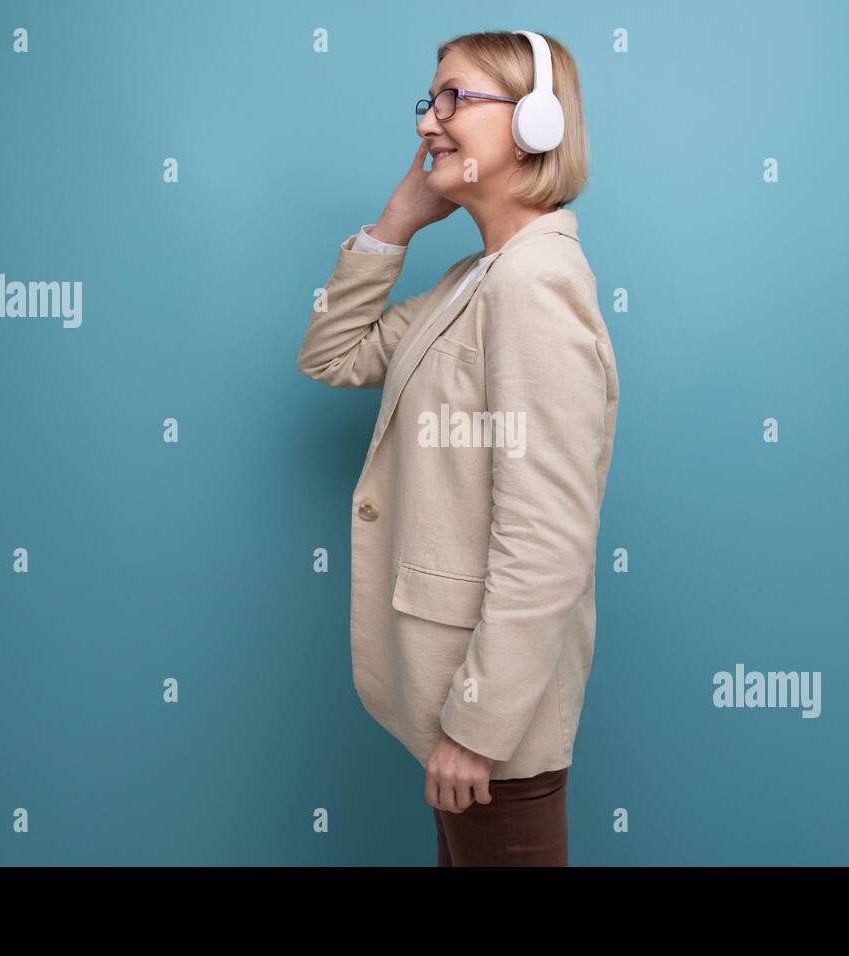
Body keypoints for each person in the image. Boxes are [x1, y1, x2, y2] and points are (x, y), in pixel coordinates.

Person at [297, 30, 618, 866]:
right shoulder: (477, 279)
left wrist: (477, 729)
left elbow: (547, 539)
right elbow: (332, 355)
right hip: (459, 709)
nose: (428, 124)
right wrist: (398, 221)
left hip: (490, 732)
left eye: (454, 100)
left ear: (537, 124)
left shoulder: (534, 287)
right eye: (427, 102)